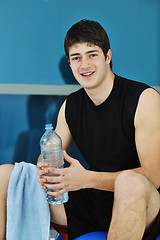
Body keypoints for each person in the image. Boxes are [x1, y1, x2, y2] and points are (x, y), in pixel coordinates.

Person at [0, 19, 160, 240]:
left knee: (129, 182)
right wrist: (46, 170)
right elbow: (49, 154)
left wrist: (86, 179)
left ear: (108, 56)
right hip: (93, 203)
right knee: (6, 174)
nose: (84, 65)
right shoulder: (71, 106)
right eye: (77, 58)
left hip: (142, 204)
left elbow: (154, 177)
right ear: (70, 64)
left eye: (92, 54)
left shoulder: (144, 99)